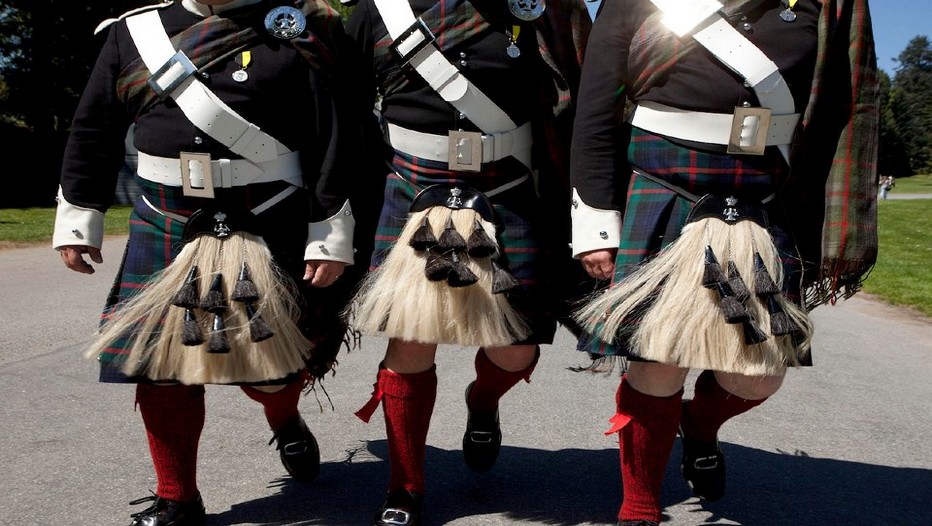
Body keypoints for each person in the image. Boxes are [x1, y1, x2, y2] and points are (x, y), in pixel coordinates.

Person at [568, 1, 879, 525]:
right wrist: (596, 222)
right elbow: (596, 110)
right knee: (658, 359)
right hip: (662, 185)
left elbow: (848, 105)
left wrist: (834, 221)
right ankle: (639, 505)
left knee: (760, 374)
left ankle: (699, 425)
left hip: (765, 198)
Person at [52, 1, 361, 524]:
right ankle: (178, 498)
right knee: (161, 369)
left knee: (270, 370)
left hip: (267, 214)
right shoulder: (134, 33)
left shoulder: (295, 29)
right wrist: (79, 220)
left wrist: (328, 234)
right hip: (166, 214)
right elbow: (94, 128)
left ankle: (284, 417)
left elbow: (333, 136)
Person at [342, 1, 591, 524]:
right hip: (411, 186)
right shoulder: (376, 12)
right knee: (410, 341)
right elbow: (346, 115)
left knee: (516, 350)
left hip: (509, 188)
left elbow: (581, 104)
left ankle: (482, 401)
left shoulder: (544, 10)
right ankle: (404, 488)